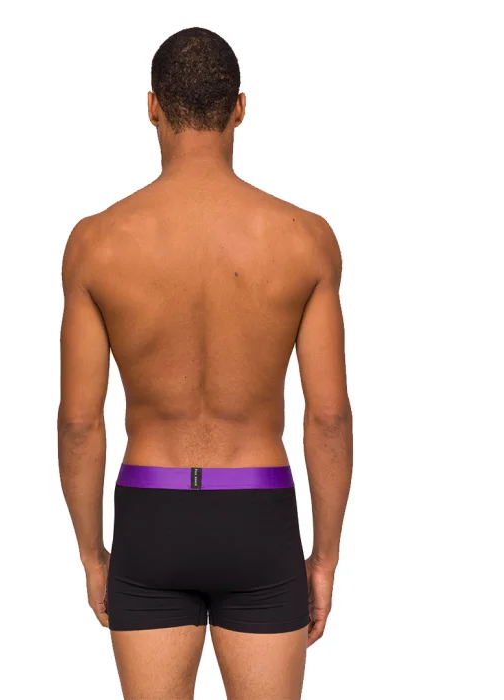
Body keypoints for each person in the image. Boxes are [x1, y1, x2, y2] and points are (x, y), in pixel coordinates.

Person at [58, 26, 353, 700]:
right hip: (258, 513)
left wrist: (93, 555)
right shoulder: (305, 239)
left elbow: (78, 424)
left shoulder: (97, 243)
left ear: (152, 107)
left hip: (150, 514)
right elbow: (329, 418)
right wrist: (325, 560)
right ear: (240, 108)